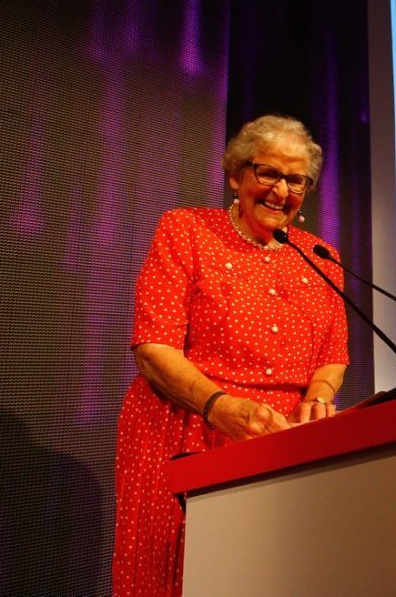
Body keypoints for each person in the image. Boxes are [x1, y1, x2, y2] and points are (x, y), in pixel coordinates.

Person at [112, 115, 349, 596]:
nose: (281, 191)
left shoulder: (322, 254)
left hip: (285, 442)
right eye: (268, 173)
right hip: (188, 429)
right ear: (236, 174)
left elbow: (333, 353)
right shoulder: (186, 231)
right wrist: (221, 407)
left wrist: (318, 397)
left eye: (296, 180)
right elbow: (153, 348)